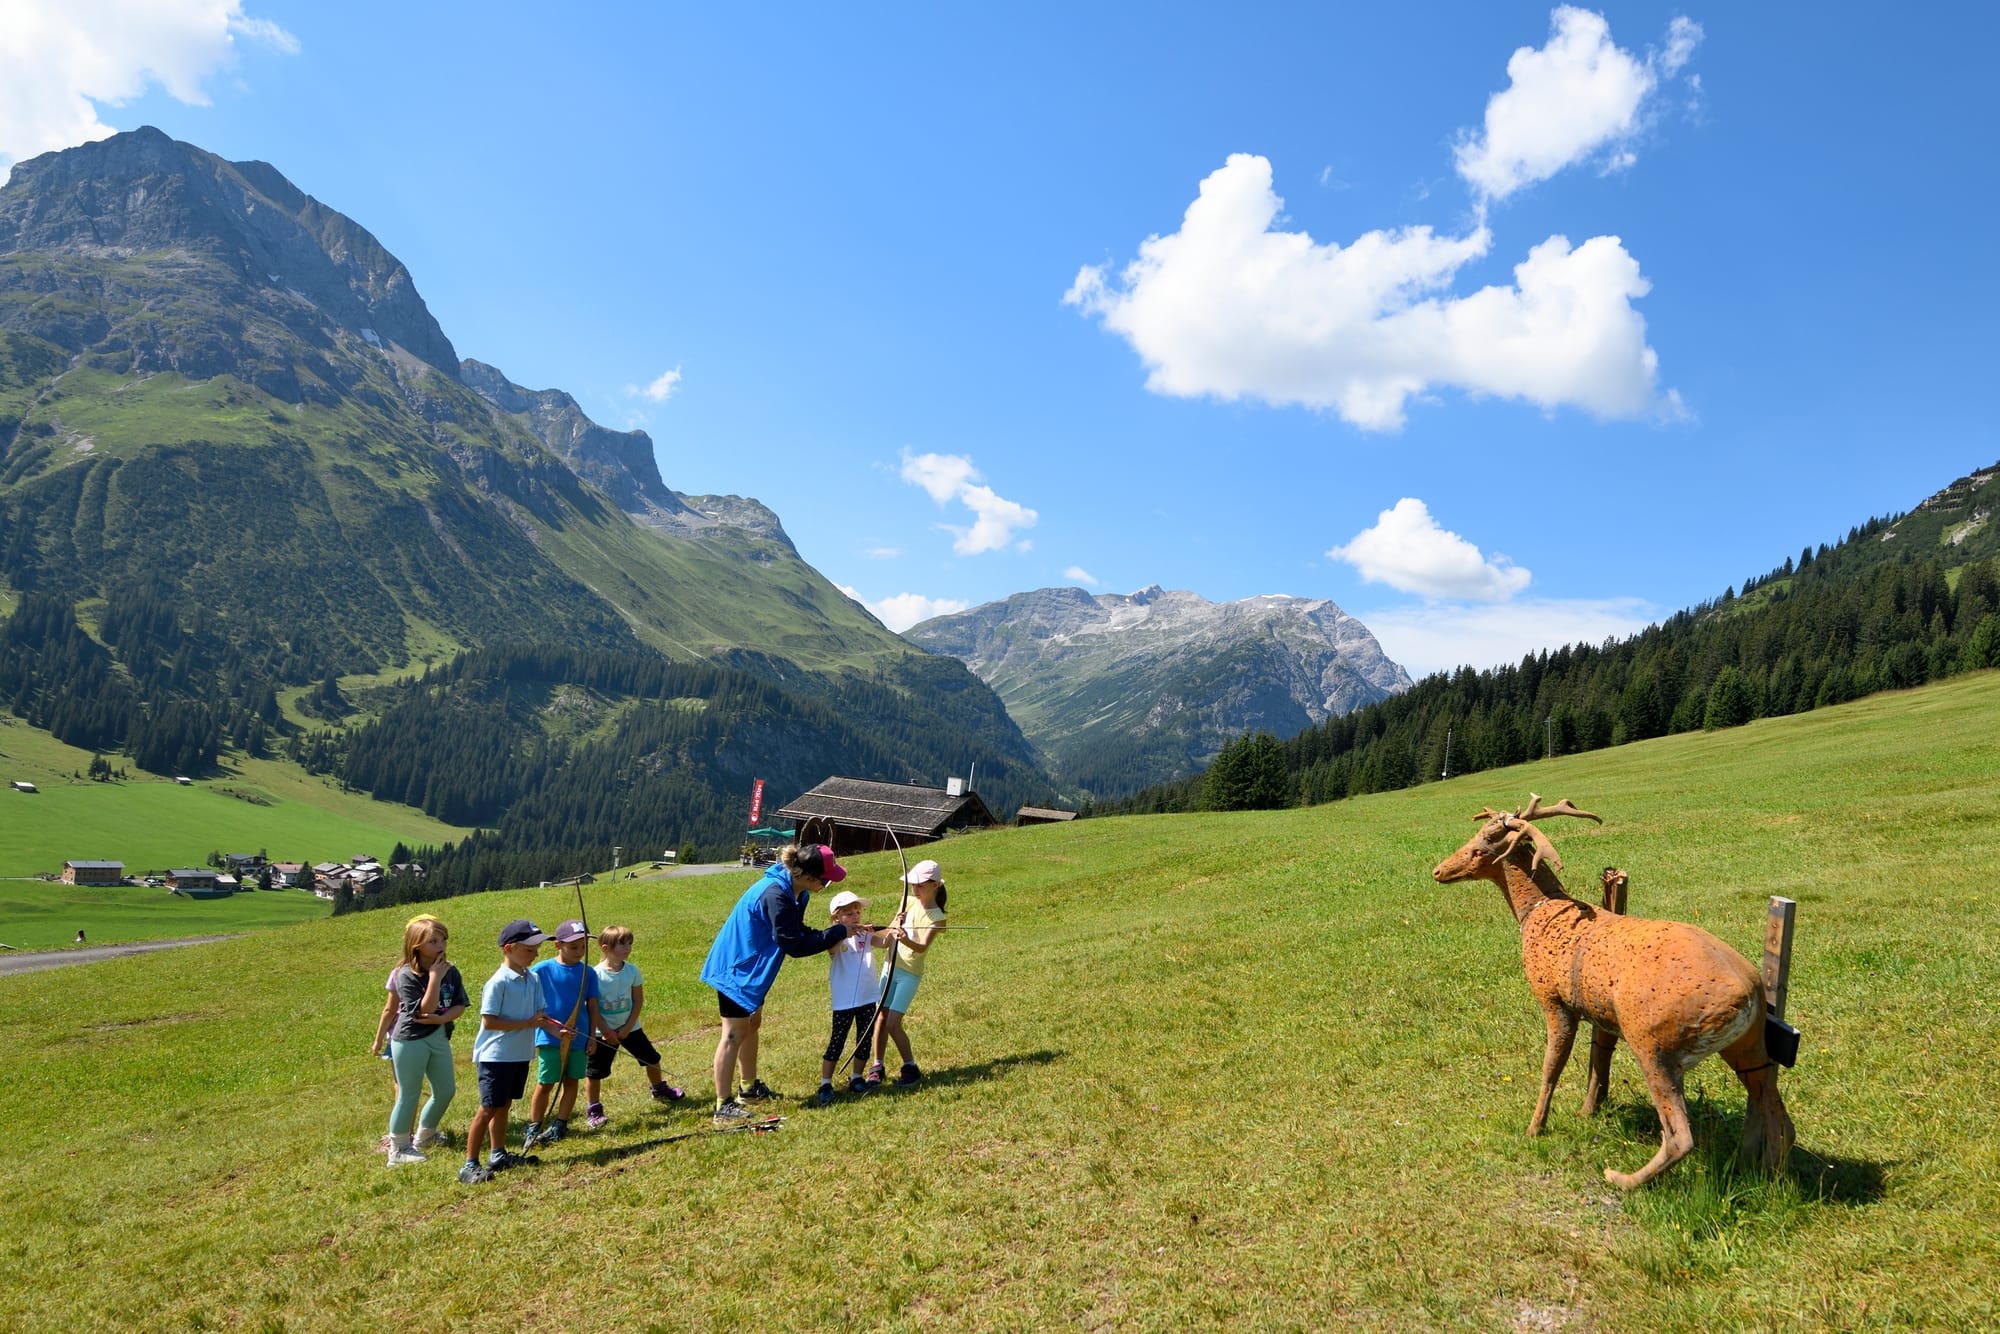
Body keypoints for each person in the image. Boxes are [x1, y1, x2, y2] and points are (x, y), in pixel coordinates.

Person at [699, 843, 861, 1125]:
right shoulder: (776, 895)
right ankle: (722, 1106)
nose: (828, 883)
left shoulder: (797, 893)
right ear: (808, 876)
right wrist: (835, 932)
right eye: (826, 879)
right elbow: (794, 945)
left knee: (752, 1024)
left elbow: (797, 932)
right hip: (737, 969)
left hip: (754, 969)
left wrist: (833, 934)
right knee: (734, 1033)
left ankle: (748, 1089)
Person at [463, 919, 568, 1184]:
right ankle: (469, 1165)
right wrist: (528, 1024)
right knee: (488, 1107)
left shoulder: (532, 978)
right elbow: (490, 1021)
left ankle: (497, 1155)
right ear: (508, 949)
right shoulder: (498, 982)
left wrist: (559, 1032)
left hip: (519, 1054)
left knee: (504, 1106)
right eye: (529, 950)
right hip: (496, 1056)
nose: (535, 955)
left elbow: (541, 1016)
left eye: (535, 950)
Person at [383, 916, 469, 1165]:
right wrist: (434, 978)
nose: (440, 945)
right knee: (409, 1093)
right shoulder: (406, 974)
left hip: (438, 1036)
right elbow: (421, 1010)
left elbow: (460, 1005)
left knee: (445, 1090)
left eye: (442, 939)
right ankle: (398, 1149)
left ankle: (426, 1135)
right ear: (416, 945)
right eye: (433, 941)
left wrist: (439, 1021)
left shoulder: (450, 970)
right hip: (410, 1040)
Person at [582, 924, 685, 1128]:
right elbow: (591, 1006)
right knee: (595, 1072)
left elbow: (638, 1000)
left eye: (629, 944)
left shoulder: (632, 971)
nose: (627, 948)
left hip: (630, 1028)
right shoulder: (594, 975)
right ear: (605, 947)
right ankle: (594, 1109)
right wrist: (605, 1031)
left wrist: (628, 1027)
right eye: (622, 944)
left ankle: (658, 1088)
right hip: (602, 1032)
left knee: (652, 1059)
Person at [865, 858, 948, 1090]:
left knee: (893, 1022)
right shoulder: (907, 901)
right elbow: (886, 940)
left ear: (935, 885)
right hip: (889, 968)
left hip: (909, 974)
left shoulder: (937, 918)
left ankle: (910, 1067)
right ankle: (877, 1066)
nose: (915, 889)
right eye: (913, 884)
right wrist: (881, 930)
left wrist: (906, 939)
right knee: (880, 1017)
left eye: (920, 885)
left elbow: (921, 947)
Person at [522, 919, 602, 1147]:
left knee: (572, 1080)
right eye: (573, 947)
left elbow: (593, 1005)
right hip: (550, 1037)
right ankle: (534, 1126)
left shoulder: (589, 973)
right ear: (558, 945)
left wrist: (592, 1036)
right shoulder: (541, 970)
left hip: (579, 1036)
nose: (579, 952)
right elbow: (532, 1002)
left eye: (583, 947)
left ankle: (560, 1123)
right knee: (546, 1082)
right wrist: (552, 1026)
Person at [817, 890, 885, 1105]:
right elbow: (832, 949)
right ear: (836, 918)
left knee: (864, 1039)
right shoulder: (834, 937)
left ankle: (857, 1077)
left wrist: (893, 929)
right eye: (848, 914)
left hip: (867, 996)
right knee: (837, 1040)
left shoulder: (865, 934)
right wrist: (844, 932)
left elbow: (884, 942)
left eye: (857, 912)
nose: (855, 917)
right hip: (844, 1000)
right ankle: (825, 1082)